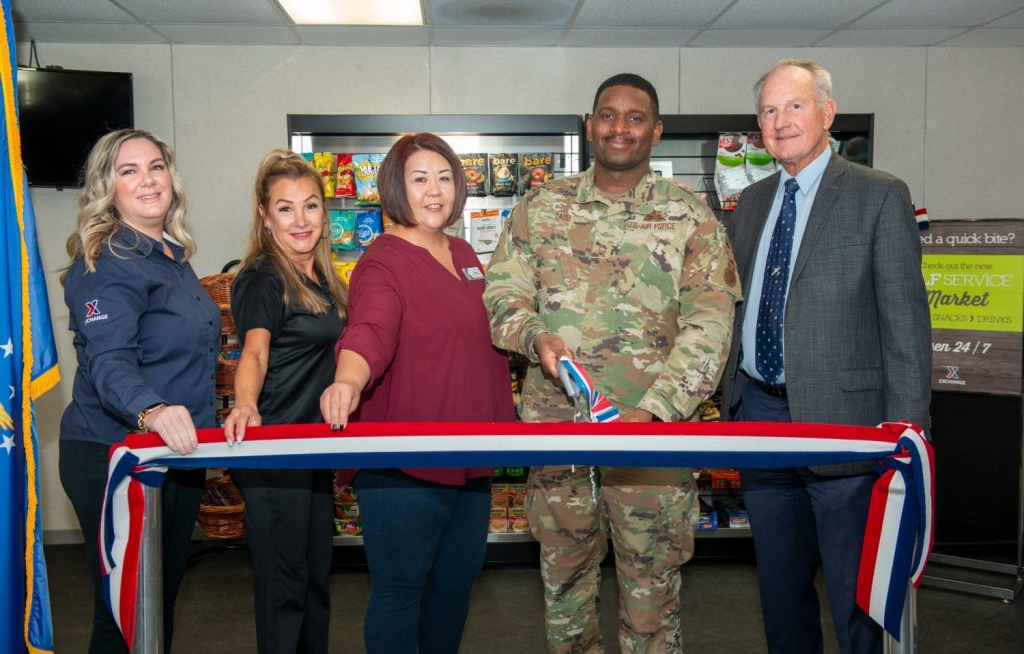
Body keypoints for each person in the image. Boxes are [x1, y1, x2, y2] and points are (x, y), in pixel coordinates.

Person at [483, 73, 741, 653]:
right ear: (589, 124)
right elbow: (503, 295)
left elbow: (711, 325)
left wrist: (657, 414)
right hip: (558, 432)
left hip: (651, 438)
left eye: (634, 117)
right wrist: (534, 338)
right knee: (566, 586)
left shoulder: (690, 218)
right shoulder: (539, 208)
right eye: (607, 114)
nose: (619, 127)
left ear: (655, 130)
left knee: (651, 591)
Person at [719, 58, 931, 654]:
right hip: (760, 419)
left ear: (827, 114)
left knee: (855, 591)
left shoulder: (879, 196)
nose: (780, 121)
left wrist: (909, 437)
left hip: (848, 429)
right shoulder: (754, 203)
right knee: (780, 587)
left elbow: (906, 329)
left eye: (794, 105)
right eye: (768, 110)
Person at [319, 132, 515, 654]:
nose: (435, 191)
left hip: (471, 457)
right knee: (400, 592)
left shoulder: (464, 251)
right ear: (394, 188)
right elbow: (370, 330)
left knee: (454, 587)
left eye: (445, 177)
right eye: (420, 178)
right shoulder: (382, 262)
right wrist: (348, 379)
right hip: (403, 463)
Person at [58, 129, 219, 653]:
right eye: (129, 171)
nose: (148, 180)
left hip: (175, 453)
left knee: (158, 599)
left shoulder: (171, 255)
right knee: (123, 611)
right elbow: (108, 360)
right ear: (109, 187)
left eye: (156, 166)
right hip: (115, 454)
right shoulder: (105, 261)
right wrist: (149, 409)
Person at [223, 150, 348, 654]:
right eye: (285, 208)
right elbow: (253, 349)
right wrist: (246, 405)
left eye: (311, 206)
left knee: (317, 584)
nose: (301, 220)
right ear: (264, 216)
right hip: (275, 451)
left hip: (313, 451)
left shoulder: (323, 277)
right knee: (285, 591)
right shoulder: (263, 278)